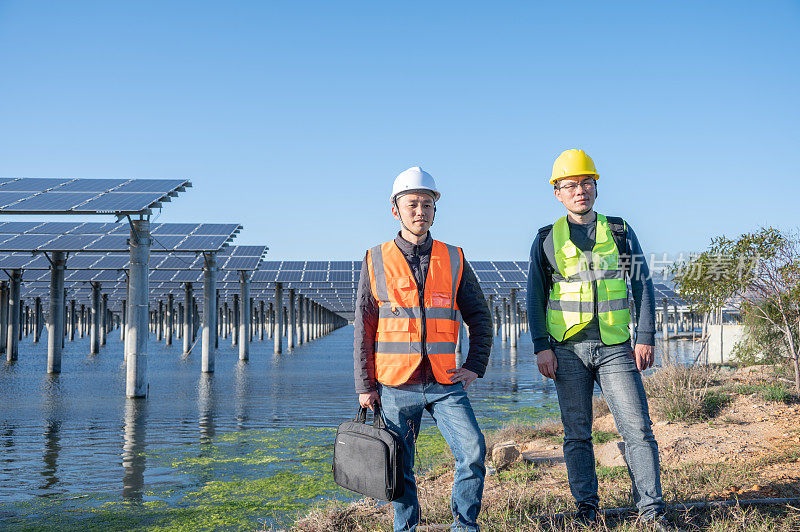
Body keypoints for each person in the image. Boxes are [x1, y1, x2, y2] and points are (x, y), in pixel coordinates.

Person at [527, 149, 671, 530]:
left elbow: (641, 283)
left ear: (596, 187)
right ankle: (587, 509)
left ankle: (651, 512)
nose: (580, 191)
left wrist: (644, 336)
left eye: (587, 183)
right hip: (567, 350)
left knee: (638, 429)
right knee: (577, 434)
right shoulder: (546, 239)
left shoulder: (620, 231)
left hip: (615, 348)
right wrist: (541, 345)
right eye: (571, 185)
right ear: (557, 192)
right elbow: (535, 295)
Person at [354, 166, 493, 532]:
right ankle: (407, 527)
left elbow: (480, 317)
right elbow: (365, 330)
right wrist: (365, 385)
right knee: (400, 465)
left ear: (435, 210)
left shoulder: (454, 257)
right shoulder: (375, 259)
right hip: (396, 385)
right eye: (412, 204)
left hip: (446, 383)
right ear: (395, 208)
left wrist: (475, 364)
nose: (420, 211)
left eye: (427, 204)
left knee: (474, 452)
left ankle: (464, 525)